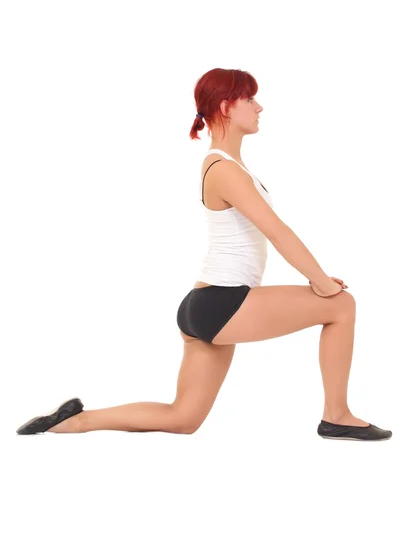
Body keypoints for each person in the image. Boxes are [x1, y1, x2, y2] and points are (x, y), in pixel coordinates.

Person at [16, 68, 392, 441]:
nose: (259, 107)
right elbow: (277, 232)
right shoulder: (224, 170)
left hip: (205, 306)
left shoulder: (228, 166)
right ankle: (337, 415)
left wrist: (320, 283)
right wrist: (321, 282)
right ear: (227, 107)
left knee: (183, 418)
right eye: (250, 99)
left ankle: (71, 421)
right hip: (222, 303)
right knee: (341, 305)